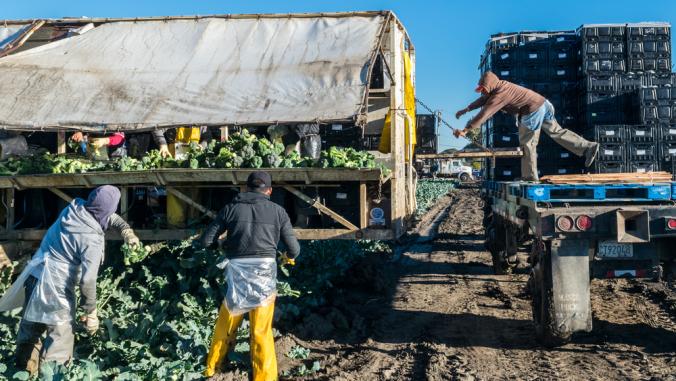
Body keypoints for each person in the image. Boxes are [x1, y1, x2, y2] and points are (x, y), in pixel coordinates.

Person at [0, 186, 140, 373]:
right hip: (54, 287)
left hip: (35, 276)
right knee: (60, 338)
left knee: (31, 328)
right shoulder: (91, 239)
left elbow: (106, 213)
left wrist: (126, 231)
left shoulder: (75, 208)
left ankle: (20, 372)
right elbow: (88, 280)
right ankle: (52, 375)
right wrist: (91, 312)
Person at [197, 171, 300, 380]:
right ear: (269, 191)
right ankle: (264, 377)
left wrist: (221, 244)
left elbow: (206, 241)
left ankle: (212, 368)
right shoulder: (278, 212)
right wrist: (287, 257)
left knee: (227, 321)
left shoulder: (230, 208)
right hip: (264, 271)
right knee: (261, 329)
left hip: (238, 272)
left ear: (246, 189)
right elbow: (294, 249)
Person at [454, 71, 600, 182]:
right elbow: (483, 100)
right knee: (557, 132)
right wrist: (466, 109)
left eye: (484, 89)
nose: (483, 92)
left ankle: (530, 178)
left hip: (532, 110)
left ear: (490, 85)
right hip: (543, 104)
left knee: (528, 143)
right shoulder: (498, 86)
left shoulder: (500, 95)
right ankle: (588, 147)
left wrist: (466, 130)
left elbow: (485, 113)